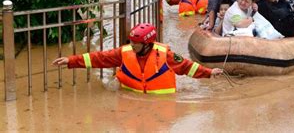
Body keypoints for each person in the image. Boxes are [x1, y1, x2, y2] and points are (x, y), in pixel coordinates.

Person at [52, 23, 223, 94]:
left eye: (136, 43)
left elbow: (187, 67)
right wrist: (71, 61)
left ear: (148, 44)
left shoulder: (166, 55)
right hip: (129, 95)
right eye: (132, 42)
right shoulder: (124, 52)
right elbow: (99, 58)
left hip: (161, 103)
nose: (132, 46)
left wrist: (209, 72)